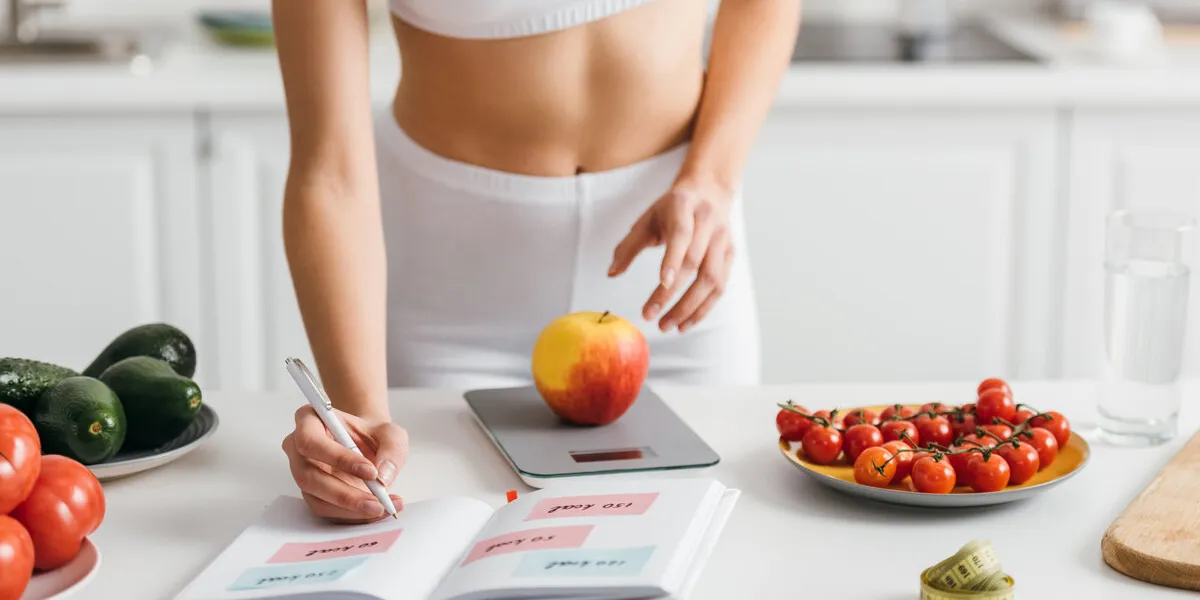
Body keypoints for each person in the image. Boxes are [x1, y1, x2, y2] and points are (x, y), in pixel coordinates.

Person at [273, 0, 801, 523]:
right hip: (450, 293)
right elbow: (329, 175)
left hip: (675, 266)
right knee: (429, 547)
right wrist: (359, 420)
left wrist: (713, 178)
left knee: (712, 546)